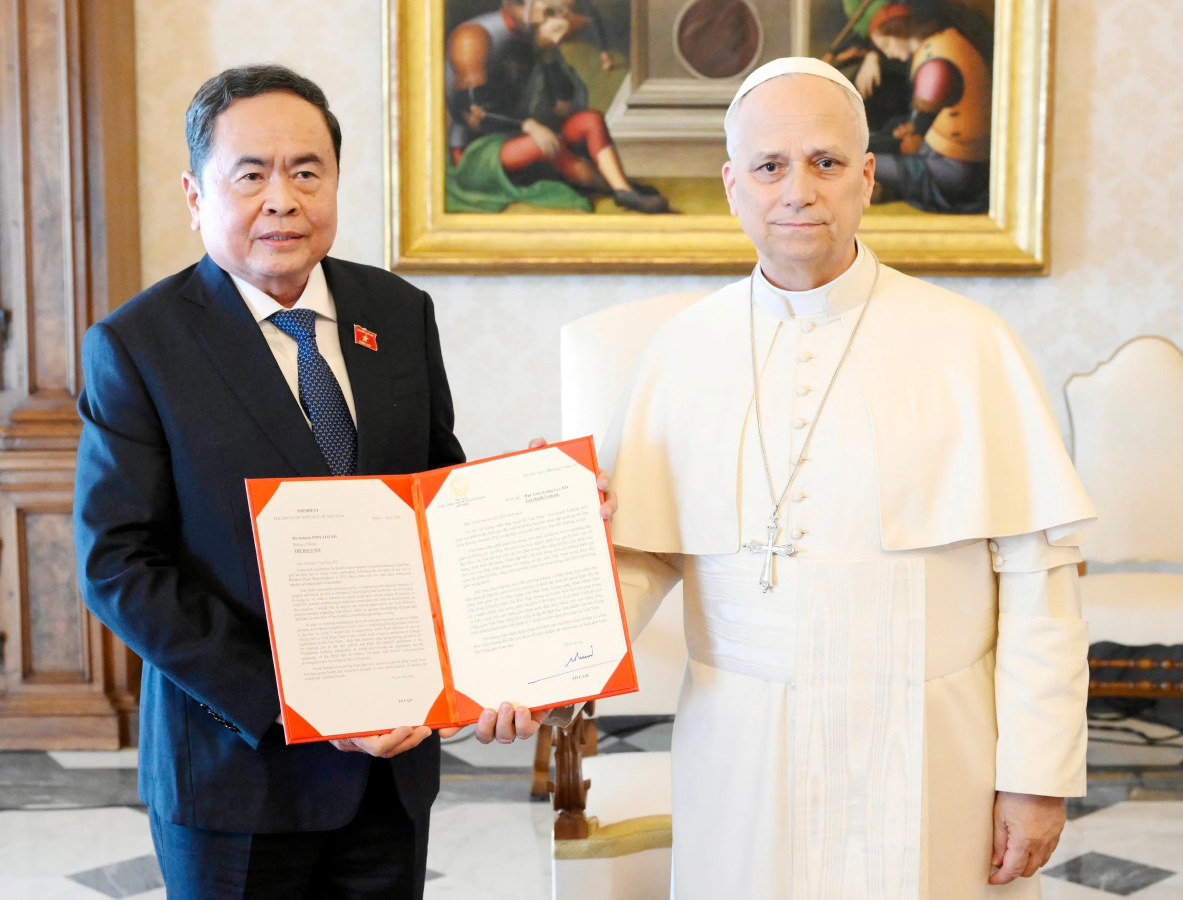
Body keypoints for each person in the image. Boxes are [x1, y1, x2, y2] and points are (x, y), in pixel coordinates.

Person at [73, 65, 595, 899]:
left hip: (393, 770)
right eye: (250, 175)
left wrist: (532, 517)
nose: (282, 200)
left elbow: (438, 499)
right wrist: (292, 703)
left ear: (336, 183)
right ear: (196, 195)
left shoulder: (397, 311)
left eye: (306, 171)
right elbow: (117, 565)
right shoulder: (138, 346)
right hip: (237, 774)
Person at [601, 57, 1093, 897]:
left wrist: (1036, 776)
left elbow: (1038, 576)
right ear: (732, 186)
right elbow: (641, 557)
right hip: (742, 750)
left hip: (934, 746)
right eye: (769, 166)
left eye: (825, 162)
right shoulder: (679, 352)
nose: (798, 191)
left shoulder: (970, 344)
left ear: (866, 178)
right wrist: (534, 657)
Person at [445, 0, 666, 214]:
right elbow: (472, 114)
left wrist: (547, 54)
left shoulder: (534, 36)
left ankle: (622, 188)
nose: (555, 15)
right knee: (548, 144)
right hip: (477, 150)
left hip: (521, 135)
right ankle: (615, 188)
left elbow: (563, 107)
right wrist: (528, 125)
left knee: (591, 120)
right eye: (548, 8)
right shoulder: (473, 37)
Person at [865, 3, 992, 213]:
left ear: (899, 32)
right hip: (951, 156)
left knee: (859, 163)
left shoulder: (935, 63)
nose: (888, 53)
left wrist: (896, 139)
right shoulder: (944, 43)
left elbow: (912, 143)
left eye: (886, 45)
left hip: (955, 170)